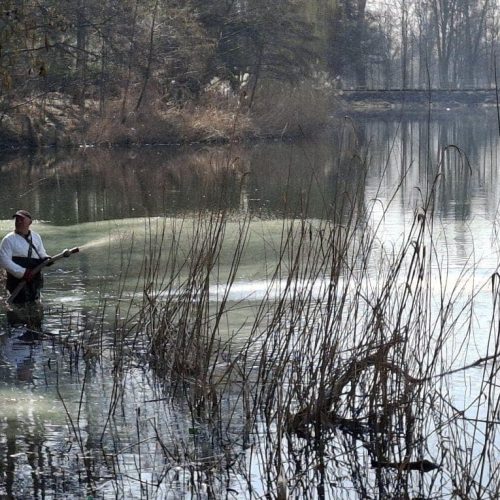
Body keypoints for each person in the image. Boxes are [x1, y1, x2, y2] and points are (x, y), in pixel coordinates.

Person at [0, 210, 50, 305]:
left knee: (35, 303)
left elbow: (41, 253)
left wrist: (47, 259)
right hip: (16, 281)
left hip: (35, 279)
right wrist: (23, 273)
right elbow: (4, 261)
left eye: (21, 219)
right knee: (17, 305)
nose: (18, 221)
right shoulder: (8, 239)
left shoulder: (36, 237)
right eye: (17, 219)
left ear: (29, 222)